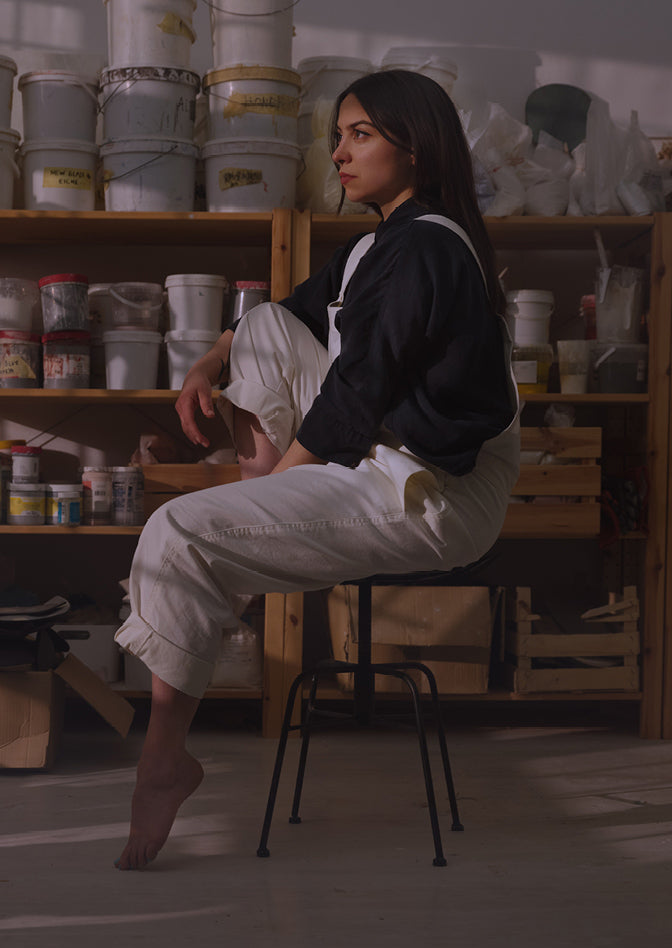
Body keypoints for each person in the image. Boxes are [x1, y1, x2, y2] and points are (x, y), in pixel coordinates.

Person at [113, 69, 523, 870]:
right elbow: (291, 317)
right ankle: (245, 541)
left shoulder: (429, 250)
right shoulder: (378, 241)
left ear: (418, 145)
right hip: (386, 456)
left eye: (360, 134)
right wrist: (205, 362)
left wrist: (283, 489)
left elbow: (355, 394)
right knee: (262, 320)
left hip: (436, 494)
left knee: (175, 531)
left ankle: (164, 762)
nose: (338, 152)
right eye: (338, 135)